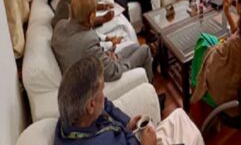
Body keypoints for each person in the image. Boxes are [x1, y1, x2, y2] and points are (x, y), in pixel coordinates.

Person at [55, 56, 204, 145]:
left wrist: (127, 124)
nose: (104, 91)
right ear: (91, 105)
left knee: (179, 115)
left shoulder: (70, 119)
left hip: (129, 136)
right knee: (193, 135)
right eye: (101, 89)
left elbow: (106, 105)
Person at [52, 0, 153, 82]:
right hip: (95, 79)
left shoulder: (60, 26)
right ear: (91, 17)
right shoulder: (88, 40)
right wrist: (113, 61)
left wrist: (108, 55)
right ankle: (150, 88)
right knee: (145, 49)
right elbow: (114, 72)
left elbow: (91, 55)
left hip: (89, 66)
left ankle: (144, 74)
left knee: (135, 46)